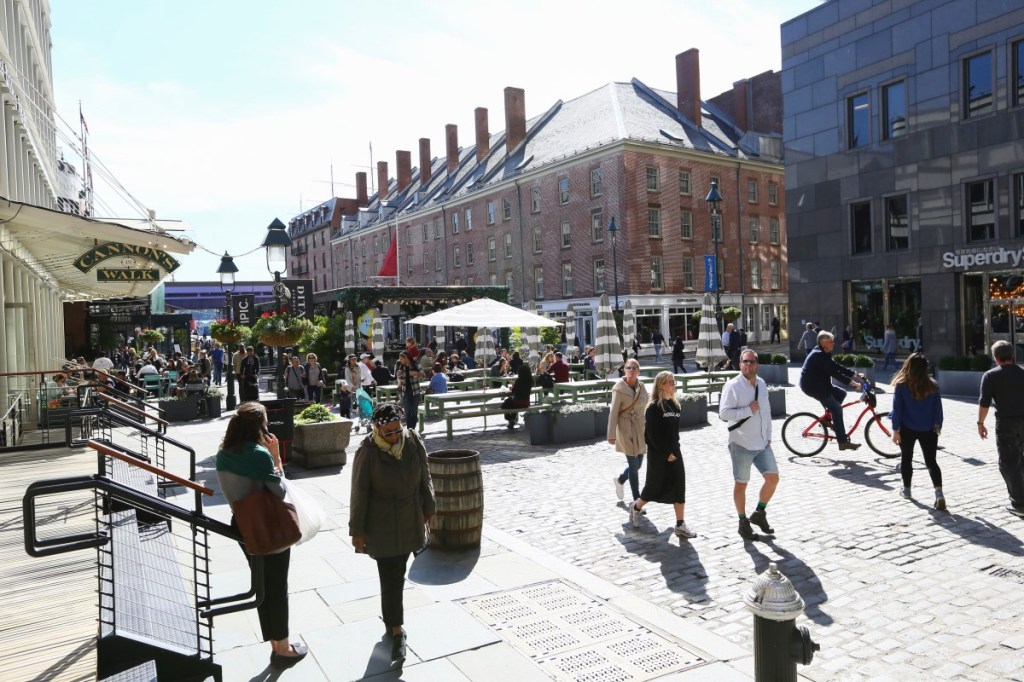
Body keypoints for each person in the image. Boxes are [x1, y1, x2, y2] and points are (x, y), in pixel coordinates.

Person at [215, 402, 307, 670]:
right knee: (278, 587)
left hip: (242, 526)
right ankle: (284, 649)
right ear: (259, 425)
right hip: (269, 525)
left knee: (263, 587)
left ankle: (274, 643)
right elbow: (280, 492)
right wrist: (277, 458)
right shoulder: (258, 454)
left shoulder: (224, 453)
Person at [349, 403, 436, 663]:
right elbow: (359, 493)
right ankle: (397, 633)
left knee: (397, 575)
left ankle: (391, 621)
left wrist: (429, 506)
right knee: (391, 579)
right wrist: (357, 530)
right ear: (377, 428)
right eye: (388, 432)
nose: (394, 436)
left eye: (397, 430)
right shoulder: (368, 451)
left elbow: (425, 475)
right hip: (381, 525)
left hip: (410, 519)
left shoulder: (412, 440)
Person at [629, 372, 696, 538]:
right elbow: (651, 435)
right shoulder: (653, 407)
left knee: (679, 486)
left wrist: (675, 450)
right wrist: (666, 453)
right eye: (670, 382)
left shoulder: (675, 405)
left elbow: (674, 432)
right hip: (659, 453)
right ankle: (636, 507)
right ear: (661, 385)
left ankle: (680, 525)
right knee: (654, 486)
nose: (674, 384)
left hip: (675, 451)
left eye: (674, 381)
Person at [720, 349, 778, 541]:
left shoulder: (761, 383)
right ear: (740, 363)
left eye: (752, 362)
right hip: (741, 442)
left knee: (773, 478)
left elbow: (766, 412)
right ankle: (742, 522)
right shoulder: (733, 386)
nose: (749, 365)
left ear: (757, 365)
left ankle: (759, 513)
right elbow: (724, 414)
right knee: (741, 484)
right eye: (745, 361)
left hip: (761, 442)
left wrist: (768, 435)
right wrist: (747, 411)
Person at [891, 353, 945, 508]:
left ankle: (907, 490)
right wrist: (937, 425)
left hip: (907, 428)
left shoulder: (901, 385)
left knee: (906, 458)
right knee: (931, 462)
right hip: (929, 428)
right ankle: (939, 493)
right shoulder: (933, 385)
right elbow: (938, 410)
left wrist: (895, 430)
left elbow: (897, 410)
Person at [977, 340, 1024, 517]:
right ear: (1012, 356)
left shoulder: (990, 376)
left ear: (995, 357)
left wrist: (980, 424)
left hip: (1006, 423)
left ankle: (1019, 503)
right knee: (1020, 459)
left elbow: (984, 403)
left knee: (1008, 462)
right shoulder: (1022, 372)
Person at [799, 331, 863, 450]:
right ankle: (843, 442)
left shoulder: (823, 353)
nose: (833, 343)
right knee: (837, 409)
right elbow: (835, 374)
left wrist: (855, 374)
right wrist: (853, 383)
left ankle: (827, 420)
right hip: (814, 387)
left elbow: (836, 366)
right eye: (830, 341)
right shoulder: (819, 355)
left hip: (821, 384)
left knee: (841, 393)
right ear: (823, 343)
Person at [609, 359, 648, 508]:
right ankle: (637, 501)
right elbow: (613, 412)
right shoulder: (618, 388)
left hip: (640, 427)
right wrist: (611, 434)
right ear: (624, 370)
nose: (631, 370)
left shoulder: (642, 386)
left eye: (634, 368)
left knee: (638, 464)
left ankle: (620, 480)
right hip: (625, 428)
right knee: (633, 465)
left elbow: (647, 405)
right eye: (628, 367)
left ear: (638, 371)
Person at [394, 351, 423, 430]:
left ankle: (412, 428)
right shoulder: (400, 366)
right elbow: (399, 379)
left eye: (401, 359)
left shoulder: (415, 364)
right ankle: (409, 428)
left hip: (415, 391)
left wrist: (415, 373)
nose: (400, 360)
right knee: (407, 412)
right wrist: (398, 375)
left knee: (414, 412)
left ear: (406, 358)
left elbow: (423, 375)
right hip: (405, 392)